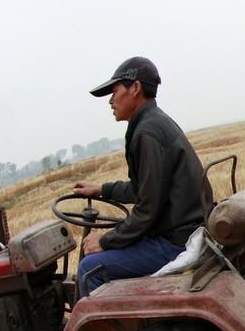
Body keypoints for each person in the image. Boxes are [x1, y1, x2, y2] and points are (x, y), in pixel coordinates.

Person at [72, 56, 211, 298]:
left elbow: (147, 208)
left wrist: (106, 241)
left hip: (174, 242)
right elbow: (144, 190)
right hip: (183, 229)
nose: (110, 101)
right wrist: (102, 189)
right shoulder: (154, 122)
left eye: (114, 91)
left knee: (88, 269)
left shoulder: (147, 132)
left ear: (135, 88)